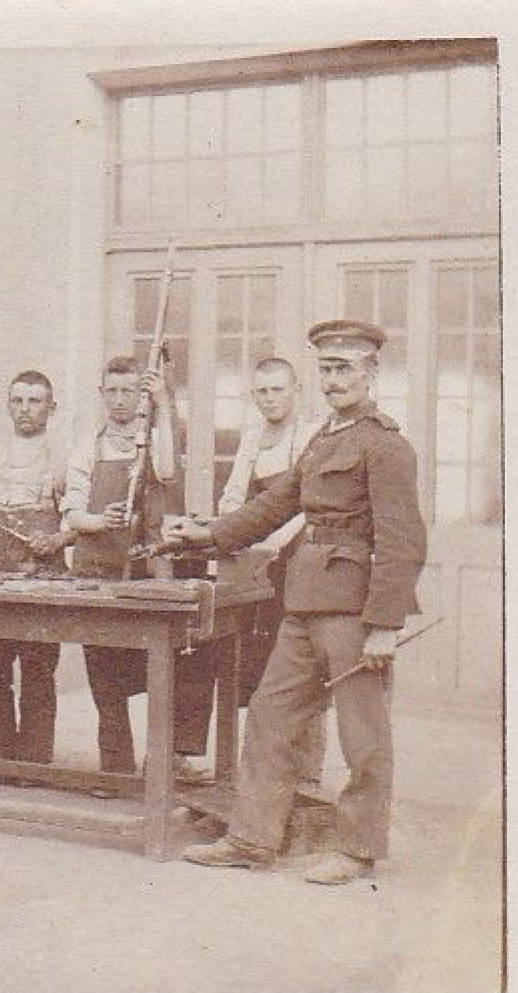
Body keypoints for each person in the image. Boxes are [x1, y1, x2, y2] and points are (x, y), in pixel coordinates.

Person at [173, 320, 428, 885]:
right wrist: (208, 535)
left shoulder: (386, 445)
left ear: (372, 374)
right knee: (270, 715)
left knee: (362, 733)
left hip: (355, 613)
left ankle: (359, 849)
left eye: (346, 369)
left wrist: (384, 624)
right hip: (305, 602)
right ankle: (251, 838)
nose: (335, 381)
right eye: (328, 370)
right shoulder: (322, 441)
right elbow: (275, 506)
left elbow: (403, 541)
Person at [62, 355, 183, 780]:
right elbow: (72, 512)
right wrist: (100, 521)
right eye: (111, 391)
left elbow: (167, 472)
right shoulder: (87, 446)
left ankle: (162, 770)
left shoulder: (151, 440)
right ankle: (115, 769)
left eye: (128, 391)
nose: (119, 400)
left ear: (140, 394)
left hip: (144, 572)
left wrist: (164, 405)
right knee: (105, 679)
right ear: (101, 394)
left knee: (157, 673)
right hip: (95, 571)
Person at [216, 356, 327, 787]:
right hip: (255, 569)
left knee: (304, 671)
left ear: (296, 390)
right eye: (261, 391)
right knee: (256, 671)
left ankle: (305, 779)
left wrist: (265, 544)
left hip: (297, 564)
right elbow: (232, 498)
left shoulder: (312, 439)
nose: (269, 399)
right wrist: (227, 527)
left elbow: (305, 507)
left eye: (277, 389)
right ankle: (257, 778)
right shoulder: (252, 439)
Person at [0, 369, 76, 771]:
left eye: (35, 401)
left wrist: (59, 540)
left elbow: (77, 518)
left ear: (50, 407)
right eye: (18, 401)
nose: (25, 410)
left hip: (41, 573)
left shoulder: (64, 454)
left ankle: (34, 764)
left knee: (38, 670)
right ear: (9, 405)